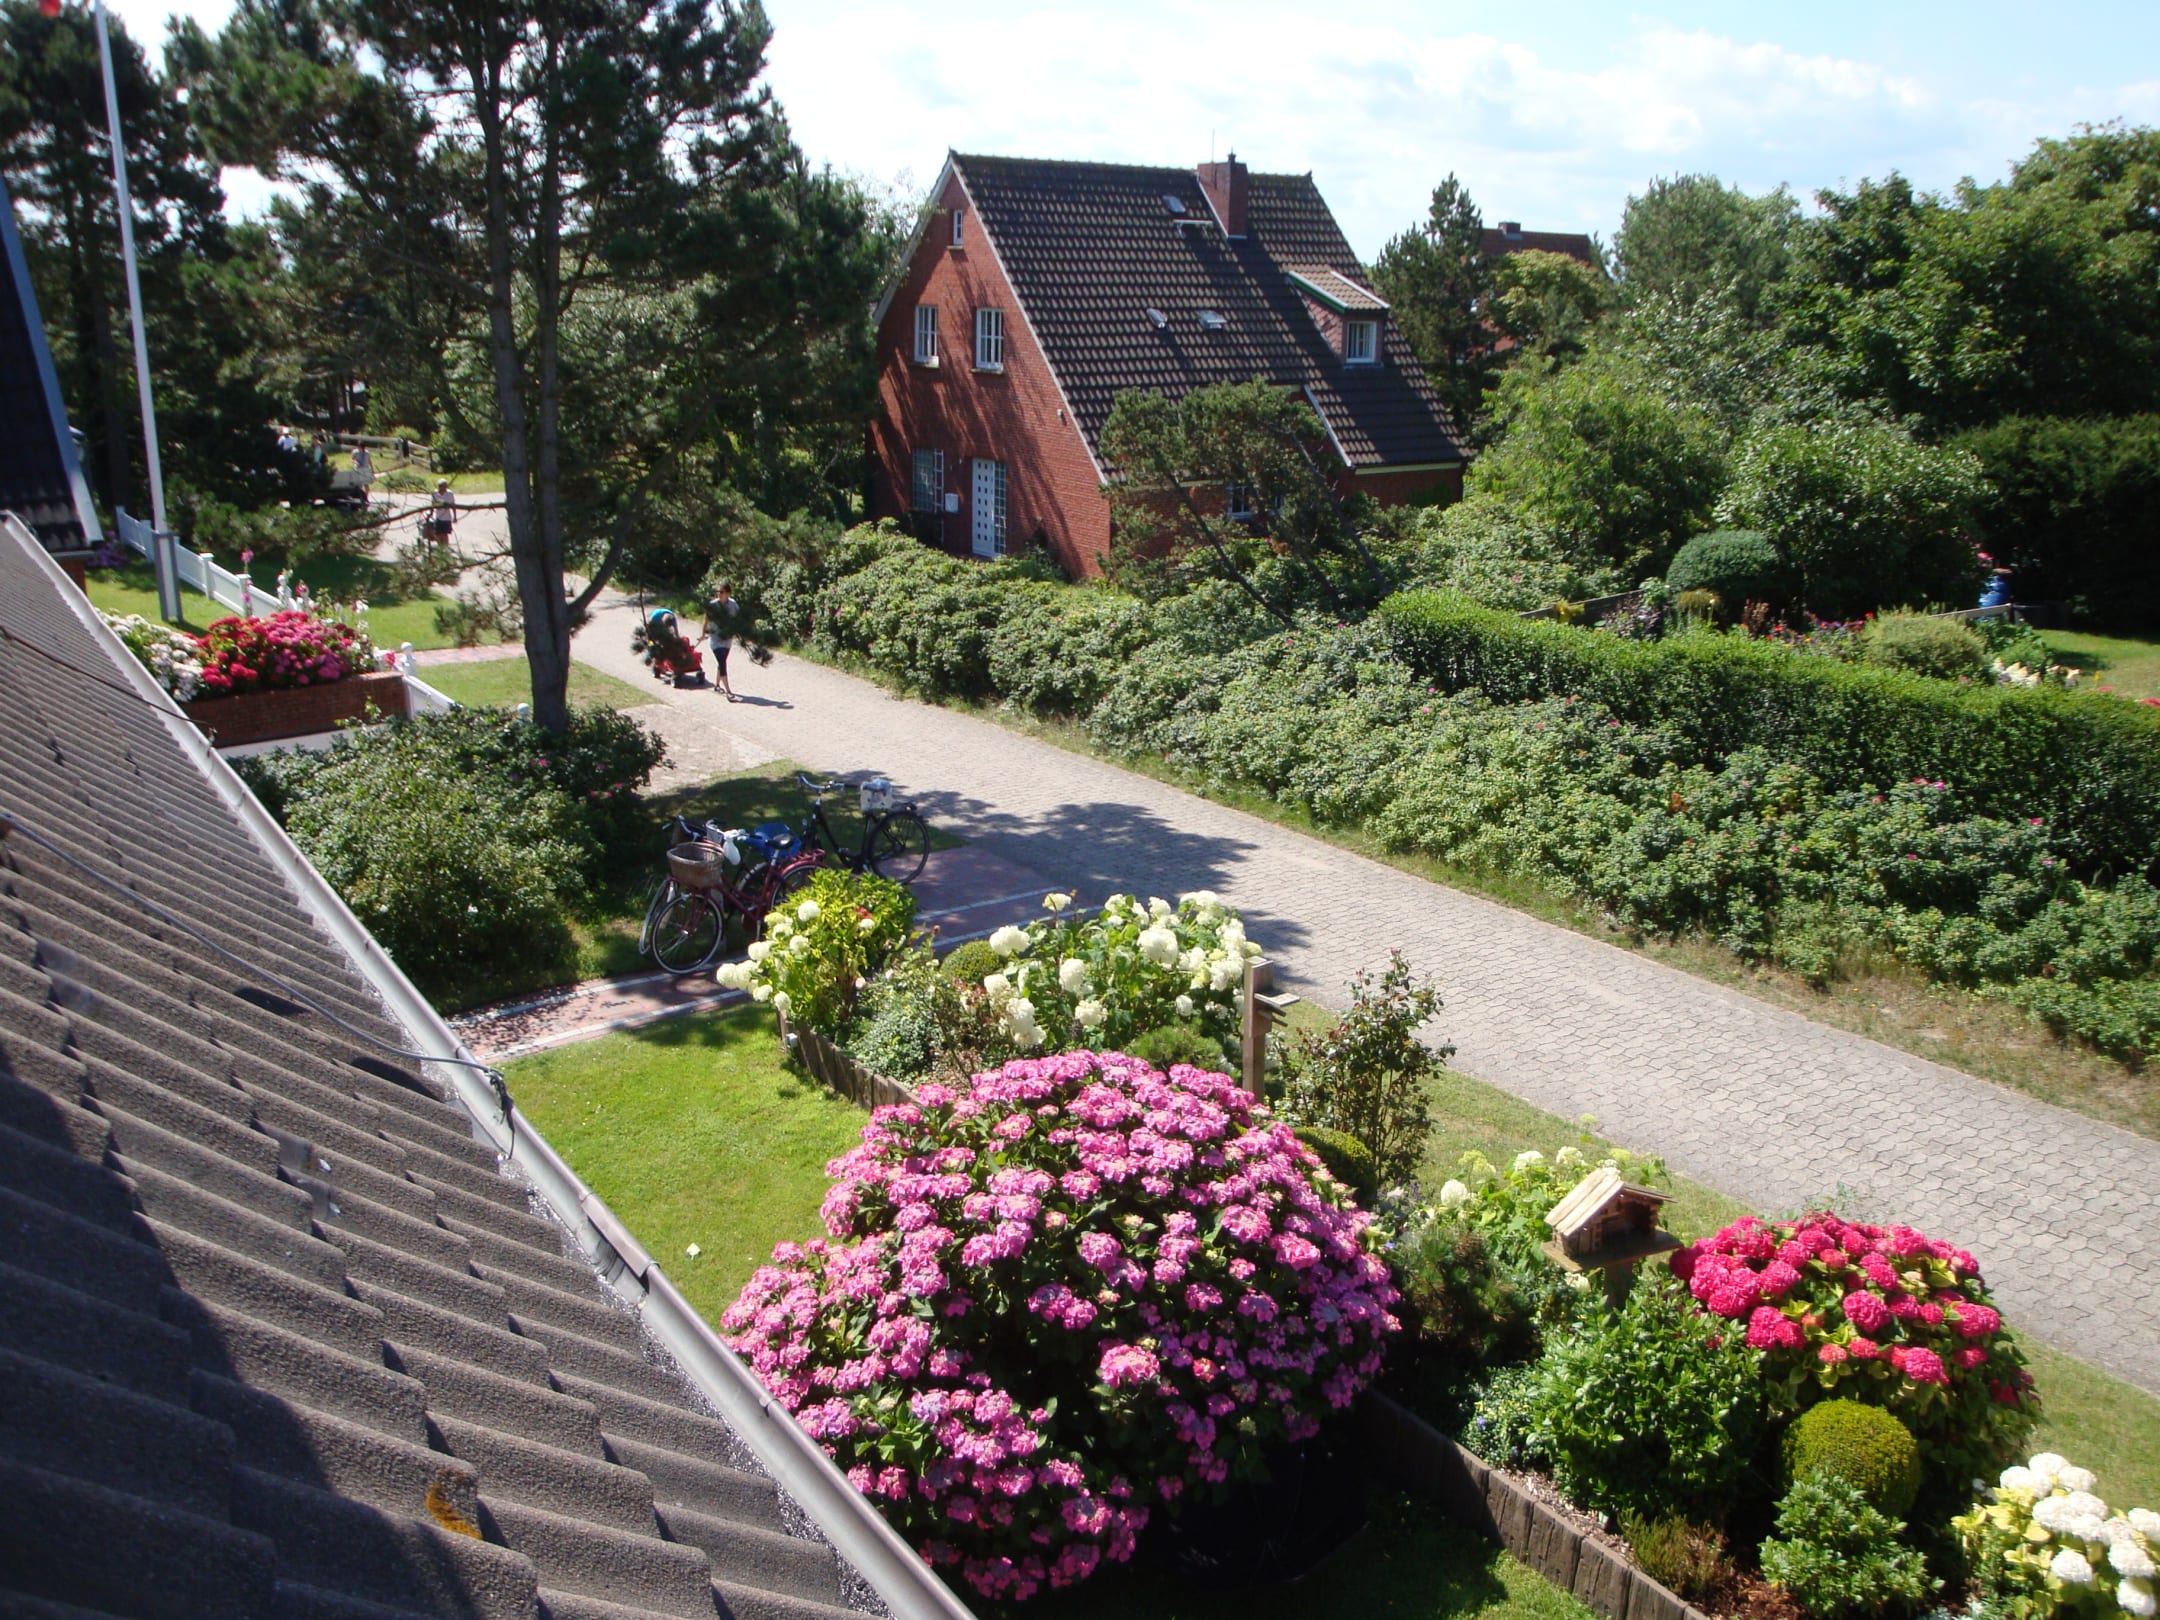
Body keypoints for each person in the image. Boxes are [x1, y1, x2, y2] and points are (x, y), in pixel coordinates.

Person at [703, 584, 741, 701]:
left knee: (722, 661)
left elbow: (738, 619)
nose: (719, 594)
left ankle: (717, 685)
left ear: (728, 593)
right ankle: (728, 691)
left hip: (727, 638)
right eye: (718, 592)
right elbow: (706, 619)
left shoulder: (733, 604)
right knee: (722, 661)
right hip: (715, 639)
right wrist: (703, 633)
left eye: (722, 592)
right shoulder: (712, 605)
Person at [427, 479, 456, 546]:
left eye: (445, 487)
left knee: (445, 534)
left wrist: (455, 517)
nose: (443, 488)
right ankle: (440, 548)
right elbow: (432, 504)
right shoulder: (435, 493)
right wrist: (431, 514)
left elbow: (453, 505)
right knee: (438, 534)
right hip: (438, 517)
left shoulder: (449, 494)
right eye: (441, 486)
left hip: (447, 518)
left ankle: (445, 547)